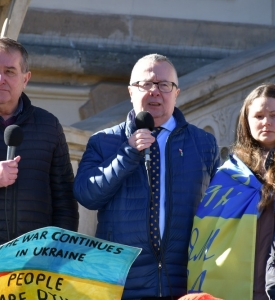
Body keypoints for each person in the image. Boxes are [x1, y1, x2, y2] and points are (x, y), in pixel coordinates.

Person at [73, 53, 220, 299]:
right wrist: (127, 154)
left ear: (176, 93)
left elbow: (218, 211)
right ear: (131, 92)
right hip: (122, 283)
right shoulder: (104, 141)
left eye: (164, 85)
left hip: (184, 281)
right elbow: (87, 195)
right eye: (146, 84)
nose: (155, 91)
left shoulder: (203, 143)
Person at [187, 83, 275, 300]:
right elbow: (207, 231)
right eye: (258, 116)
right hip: (233, 282)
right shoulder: (229, 173)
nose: (266, 122)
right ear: (246, 122)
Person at [0, 37, 79, 260]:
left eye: (9, 71)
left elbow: (64, 198)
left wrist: (58, 253)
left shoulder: (48, 126)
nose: (0, 79)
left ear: (25, 79)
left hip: (32, 263)